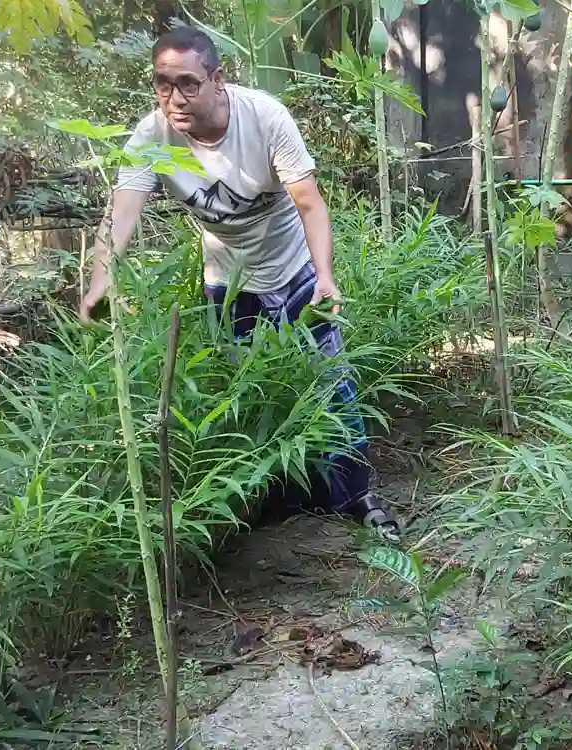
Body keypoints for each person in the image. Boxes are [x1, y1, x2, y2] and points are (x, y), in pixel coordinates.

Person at [79, 25, 402, 540]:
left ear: (217, 79)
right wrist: (100, 280)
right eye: (163, 84)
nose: (175, 97)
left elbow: (310, 202)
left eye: (188, 83)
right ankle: (279, 500)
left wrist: (324, 275)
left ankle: (356, 493)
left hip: (294, 267)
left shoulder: (264, 117)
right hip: (227, 281)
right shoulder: (151, 136)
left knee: (329, 378)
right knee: (250, 390)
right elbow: (121, 215)